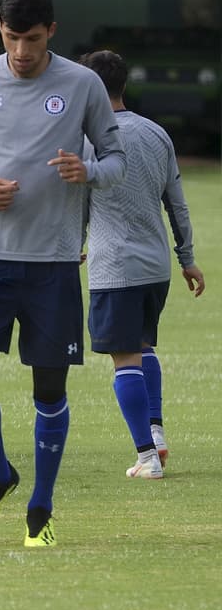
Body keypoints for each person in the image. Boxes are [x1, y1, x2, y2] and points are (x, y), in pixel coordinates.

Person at [0, 0, 125, 548]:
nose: (21, 51)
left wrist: (88, 172)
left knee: (48, 389)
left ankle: (41, 506)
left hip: (51, 264)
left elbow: (116, 159)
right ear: (0, 30)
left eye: (33, 39)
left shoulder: (82, 83)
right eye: (12, 38)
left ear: (52, 33)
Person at [81, 49, 204, 479]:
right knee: (143, 346)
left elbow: (77, 205)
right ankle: (156, 433)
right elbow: (177, 204)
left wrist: (72, 246)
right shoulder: (156, 133)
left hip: (114, 266)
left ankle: (146, 457)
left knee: (124, 357)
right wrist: (187, 258)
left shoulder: (88, 141)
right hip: (156, 266)